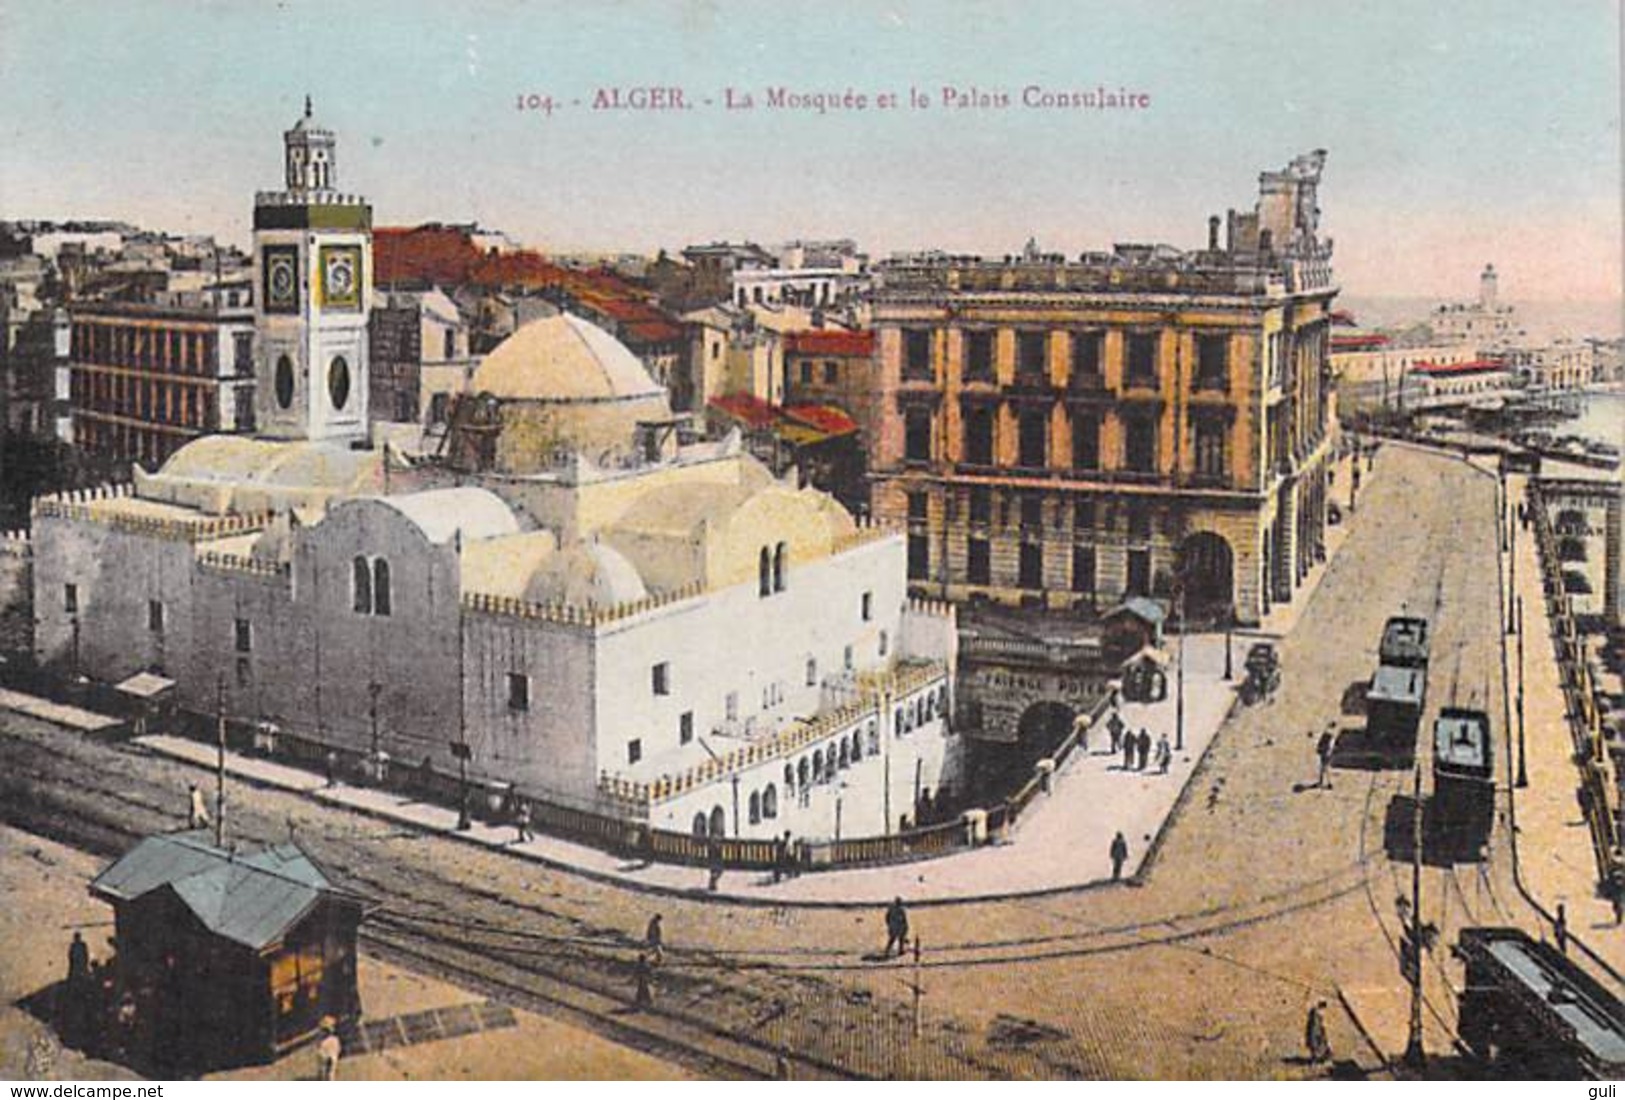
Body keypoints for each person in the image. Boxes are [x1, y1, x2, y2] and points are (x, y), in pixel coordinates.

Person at [1305, 1000, 1331, 1065]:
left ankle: (1316, 1060)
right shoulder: (1318, 1013)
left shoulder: (1314, 1011)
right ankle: (1317, 1060)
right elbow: (1322, 1025)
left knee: (1315, 1046)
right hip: (1316, 1032)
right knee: (1318, 1046)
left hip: (1314, 1032)